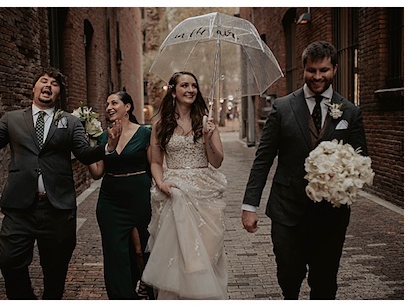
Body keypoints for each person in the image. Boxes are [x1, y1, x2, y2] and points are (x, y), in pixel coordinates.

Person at [241, 41, 368, 300]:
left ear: (335, 69)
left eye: (324, 70)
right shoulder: (282, 107)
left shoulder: (350, 112)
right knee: (288, 276)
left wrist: (343, 175)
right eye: (312, 70)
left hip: (330, 215)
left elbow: (360, 158)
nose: (317, 76)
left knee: (325, 283)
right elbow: (263, 159)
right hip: (287, 209)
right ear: (304, 69)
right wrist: (249, 206)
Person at [0, 67, 105, 299]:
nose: (48, 85)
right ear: (34, 88)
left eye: (54, 84)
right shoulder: (11, 119)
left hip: (57, 208)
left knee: (55, 270)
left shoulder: (70, 122)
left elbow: (84, 154)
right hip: (19, 207)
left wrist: (109, 147)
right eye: (44, 81)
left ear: (58, 93)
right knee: (9, 261)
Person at [141, 71, 226, 299]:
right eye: (185, 85)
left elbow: (217, 161)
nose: (190, 90)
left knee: (206, 256)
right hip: (175, 192)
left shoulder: (207, 121)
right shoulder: (160, 124)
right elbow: (156, 162)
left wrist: (208, 138)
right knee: (178, 259)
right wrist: (161, 183)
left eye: (193, 86)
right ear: (173, 91)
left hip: (205, 193)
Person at [85, 91, 153, 299]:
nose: (109, 107)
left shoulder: (145, 133)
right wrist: (86, 149)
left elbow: (155, 166)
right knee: (115, 254)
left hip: (140, 198)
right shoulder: (103, 137)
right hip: (111, 201)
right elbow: (97, 173)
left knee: (141, 249)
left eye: (114, 103)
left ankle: (147, 288)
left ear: (128, 107)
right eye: (107, 104)